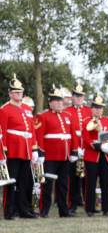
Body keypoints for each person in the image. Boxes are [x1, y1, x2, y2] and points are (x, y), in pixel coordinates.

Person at [35, 85, 78, 218]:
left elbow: (73, 135)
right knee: (47, 185)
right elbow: (39, 136)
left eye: (60, 100)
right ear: (50, 102)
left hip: (65, 156)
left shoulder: (68, 116)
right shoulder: (43, 116)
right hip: (50, 156)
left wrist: (74, 151)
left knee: (63, 185)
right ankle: (44, 210)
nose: (60, 103)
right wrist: (41, 152)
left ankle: (63, 211)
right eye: (56, 100)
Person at [0, 75, 39, 219]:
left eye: (20, 92)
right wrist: (2, 155)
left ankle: (24, 210)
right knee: (11, 182)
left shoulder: (28, 108)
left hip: (27, 149)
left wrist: (34, 149)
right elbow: (1, 133)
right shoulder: (4, 109)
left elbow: (32, 131)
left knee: (24, 181)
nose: (18, 94)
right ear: (10, 93)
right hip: (12, 150)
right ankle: (9, 211)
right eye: (15, 92)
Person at [82, 95, 108, 216]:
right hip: (92, 155)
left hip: (106, 156)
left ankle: (106, 209)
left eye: (100, 108)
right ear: (91, 108)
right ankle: (89, 209)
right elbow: (86, 138)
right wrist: (97, 146)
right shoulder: (86, 121)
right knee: (90, 183)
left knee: (106, 183)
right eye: (96, 107)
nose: (98, 110)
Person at [65, 81, 92, 214]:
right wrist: (74, 149)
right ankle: (72, 205)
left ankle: (89, 204)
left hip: (88, 149)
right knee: (73, 179)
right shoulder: (66, 111)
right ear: (72, 97)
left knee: (88, 178)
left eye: (80, 96)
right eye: (76, 95)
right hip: (74, 150)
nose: (78, 98)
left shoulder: (89, 111)